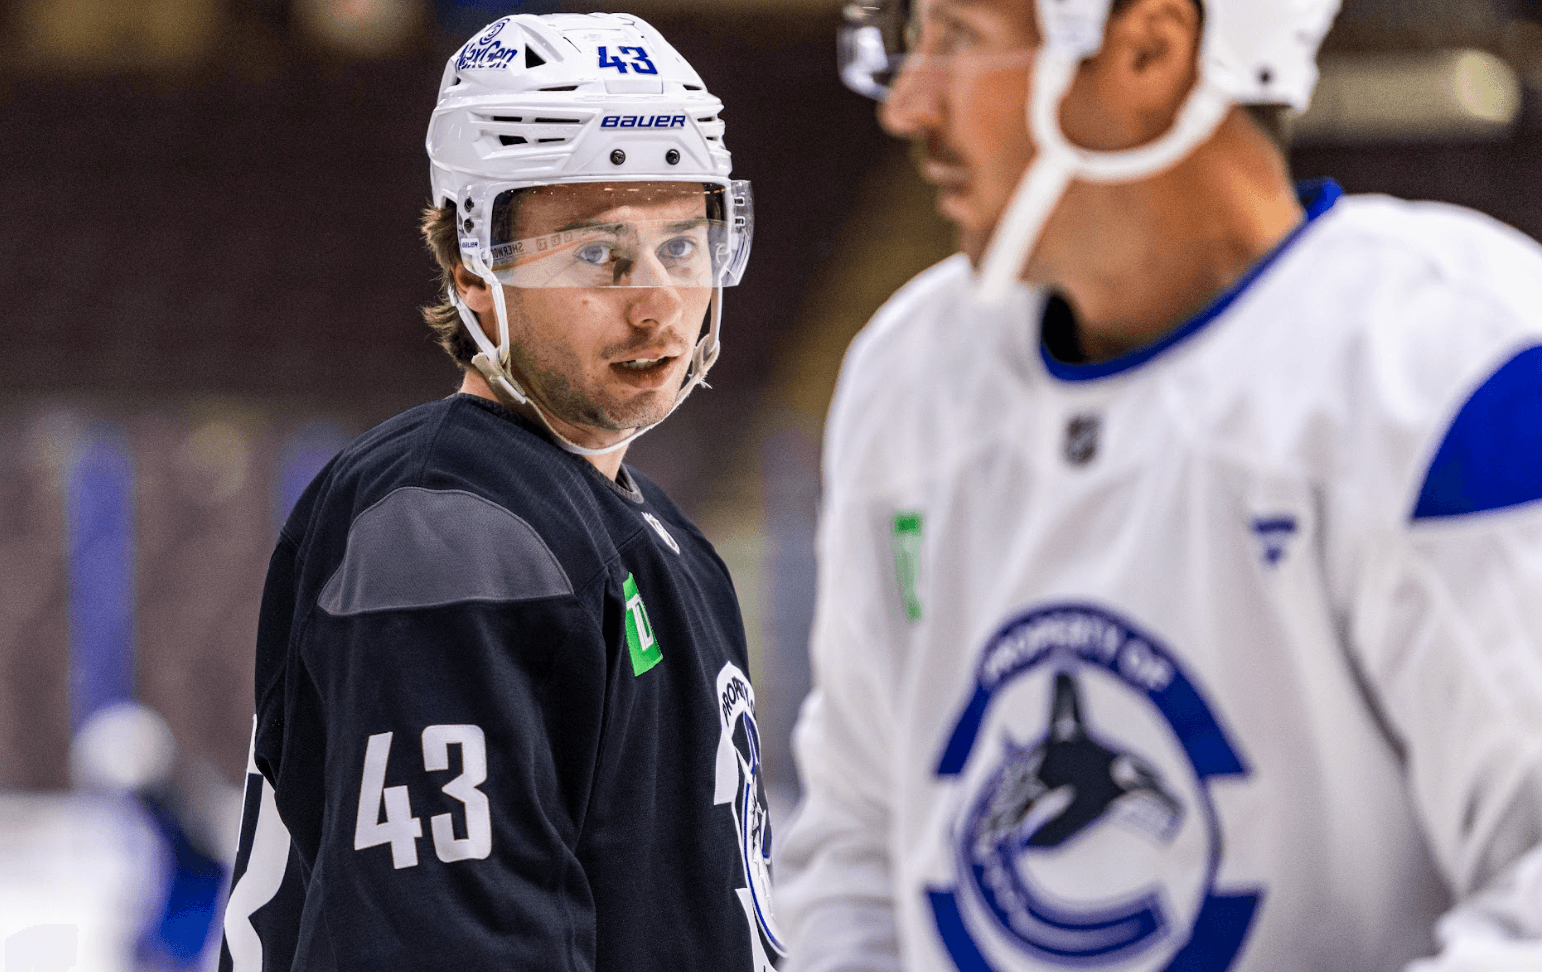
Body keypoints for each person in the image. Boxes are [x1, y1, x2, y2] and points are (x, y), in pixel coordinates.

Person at [779, 0, 1542, 970]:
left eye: (957, 39)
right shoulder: (911, 372)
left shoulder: (1454, 364)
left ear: (1149, 47)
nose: (908, 105)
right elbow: (861, 842)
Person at [218, 13, 782, 971]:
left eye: (682, 247)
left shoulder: (657, 531)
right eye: (596, 254)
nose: (657, 304)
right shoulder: (450, 517)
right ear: (471, 266)